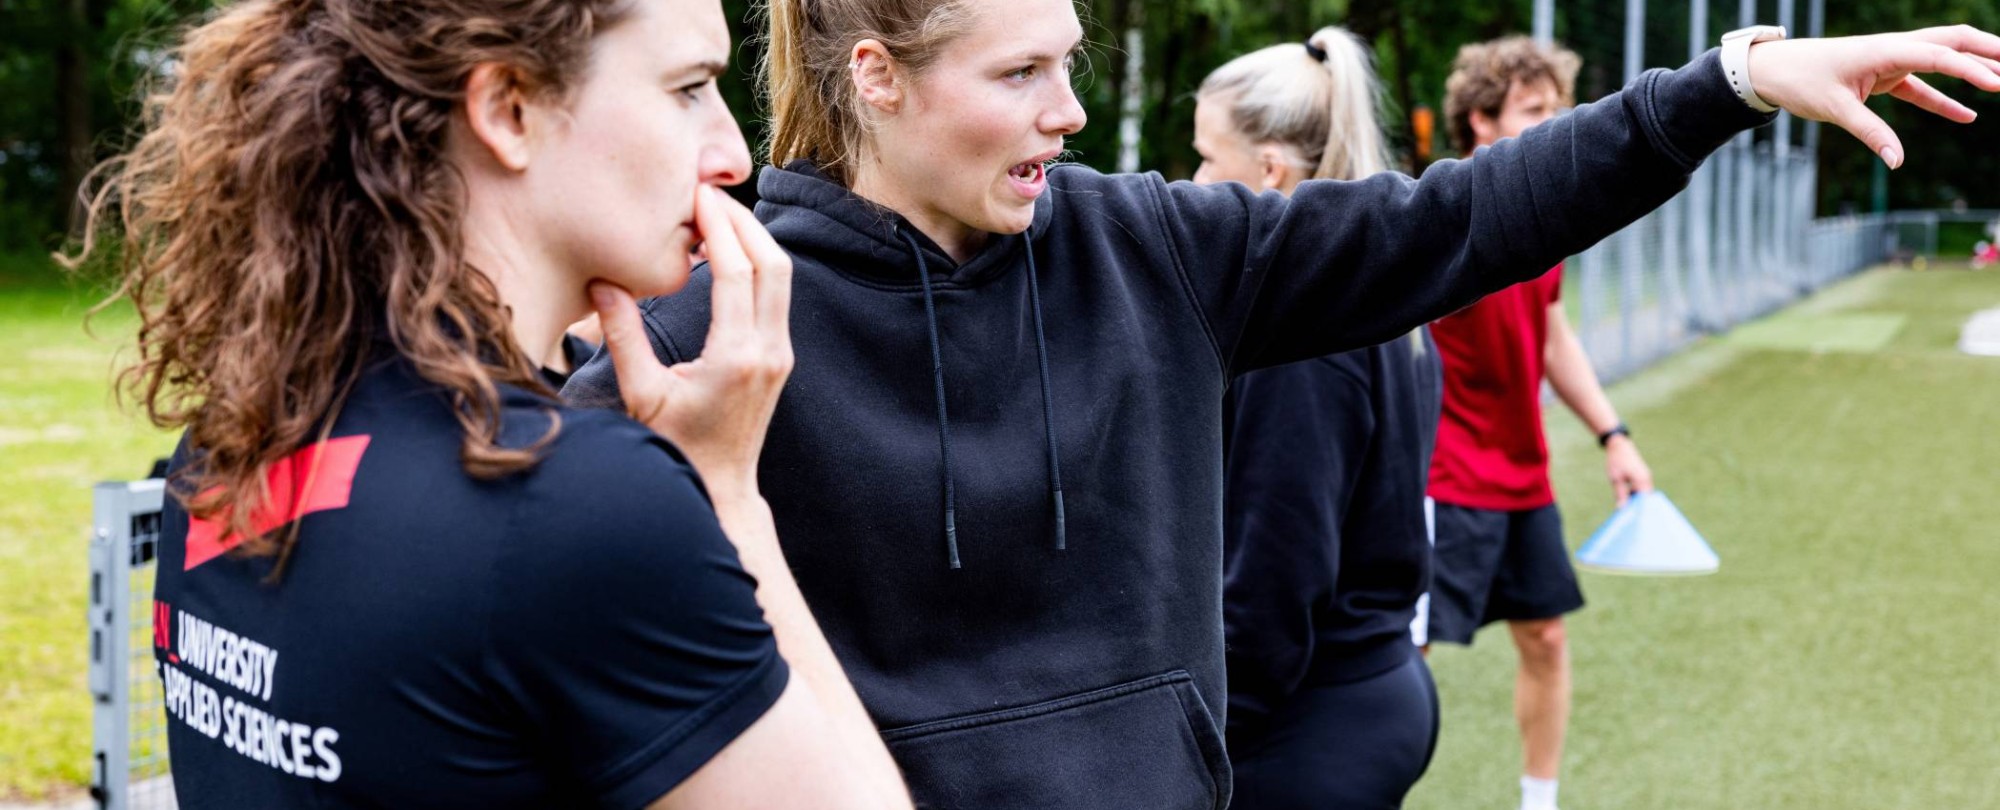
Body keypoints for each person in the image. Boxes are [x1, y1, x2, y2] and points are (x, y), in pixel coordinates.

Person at [561, 1, 2000, 804]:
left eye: (1071, 63)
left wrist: (1727, 81)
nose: (1067, 108)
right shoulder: (721, 321)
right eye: (1022, 73)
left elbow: (1458, 219)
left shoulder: (1157, 248)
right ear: (875, 77)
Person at [68, 0, 910, 807]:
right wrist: (726, 487)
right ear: (510, 109)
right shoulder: (574, 504)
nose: (733, 156)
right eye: (689, 88)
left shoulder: (229, 445)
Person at [1192, 27, 1441, 810]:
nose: (1190, 179)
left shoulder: (1301, 336)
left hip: (1310, 725)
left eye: (1205, 157)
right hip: (1376, 690)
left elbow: (1276, 576)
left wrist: (1199, 745)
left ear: (1268, 171)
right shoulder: (1380, 292)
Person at [1419, 37, 1652, 810]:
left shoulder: (1544, 223)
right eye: (1535, 111)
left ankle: (1538, 801)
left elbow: (1549, 333)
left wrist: (1612, 435)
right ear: (1481, 121)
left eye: (1559, 107)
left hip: (1523, 474)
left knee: (1546, 640)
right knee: (1395, 655)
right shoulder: (1441, 217)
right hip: (1443, 476)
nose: (1559, 123)